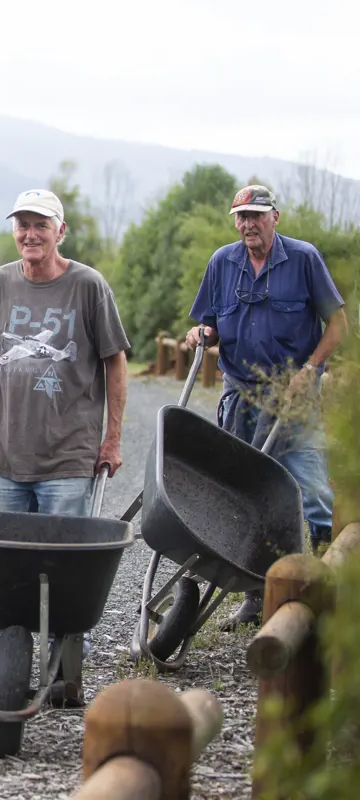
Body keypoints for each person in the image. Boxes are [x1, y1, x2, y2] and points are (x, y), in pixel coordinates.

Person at [0, 189, 130, 702]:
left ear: (61, 230)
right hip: (7, 456)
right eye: (22, 225)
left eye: (40, 225)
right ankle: (5, 658)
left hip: (69, 456)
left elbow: (115, 362)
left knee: (61, 566)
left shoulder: (87, 286)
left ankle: (61, 664)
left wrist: (113, 438)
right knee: (6, 566)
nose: (30, 234)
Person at [184, 184, 346, 630]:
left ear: (276, 216)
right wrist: (202, 336)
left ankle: (332, 594)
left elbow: (338, 323)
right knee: (249, 498)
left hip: (294, 400)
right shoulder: (222, 262)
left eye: (257, 215)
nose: (248, 224)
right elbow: (208, 324)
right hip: (242, 400)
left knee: (311, 493)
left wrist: (310, 369)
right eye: (241, 217)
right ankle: (258, 598)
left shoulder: (303, 258)